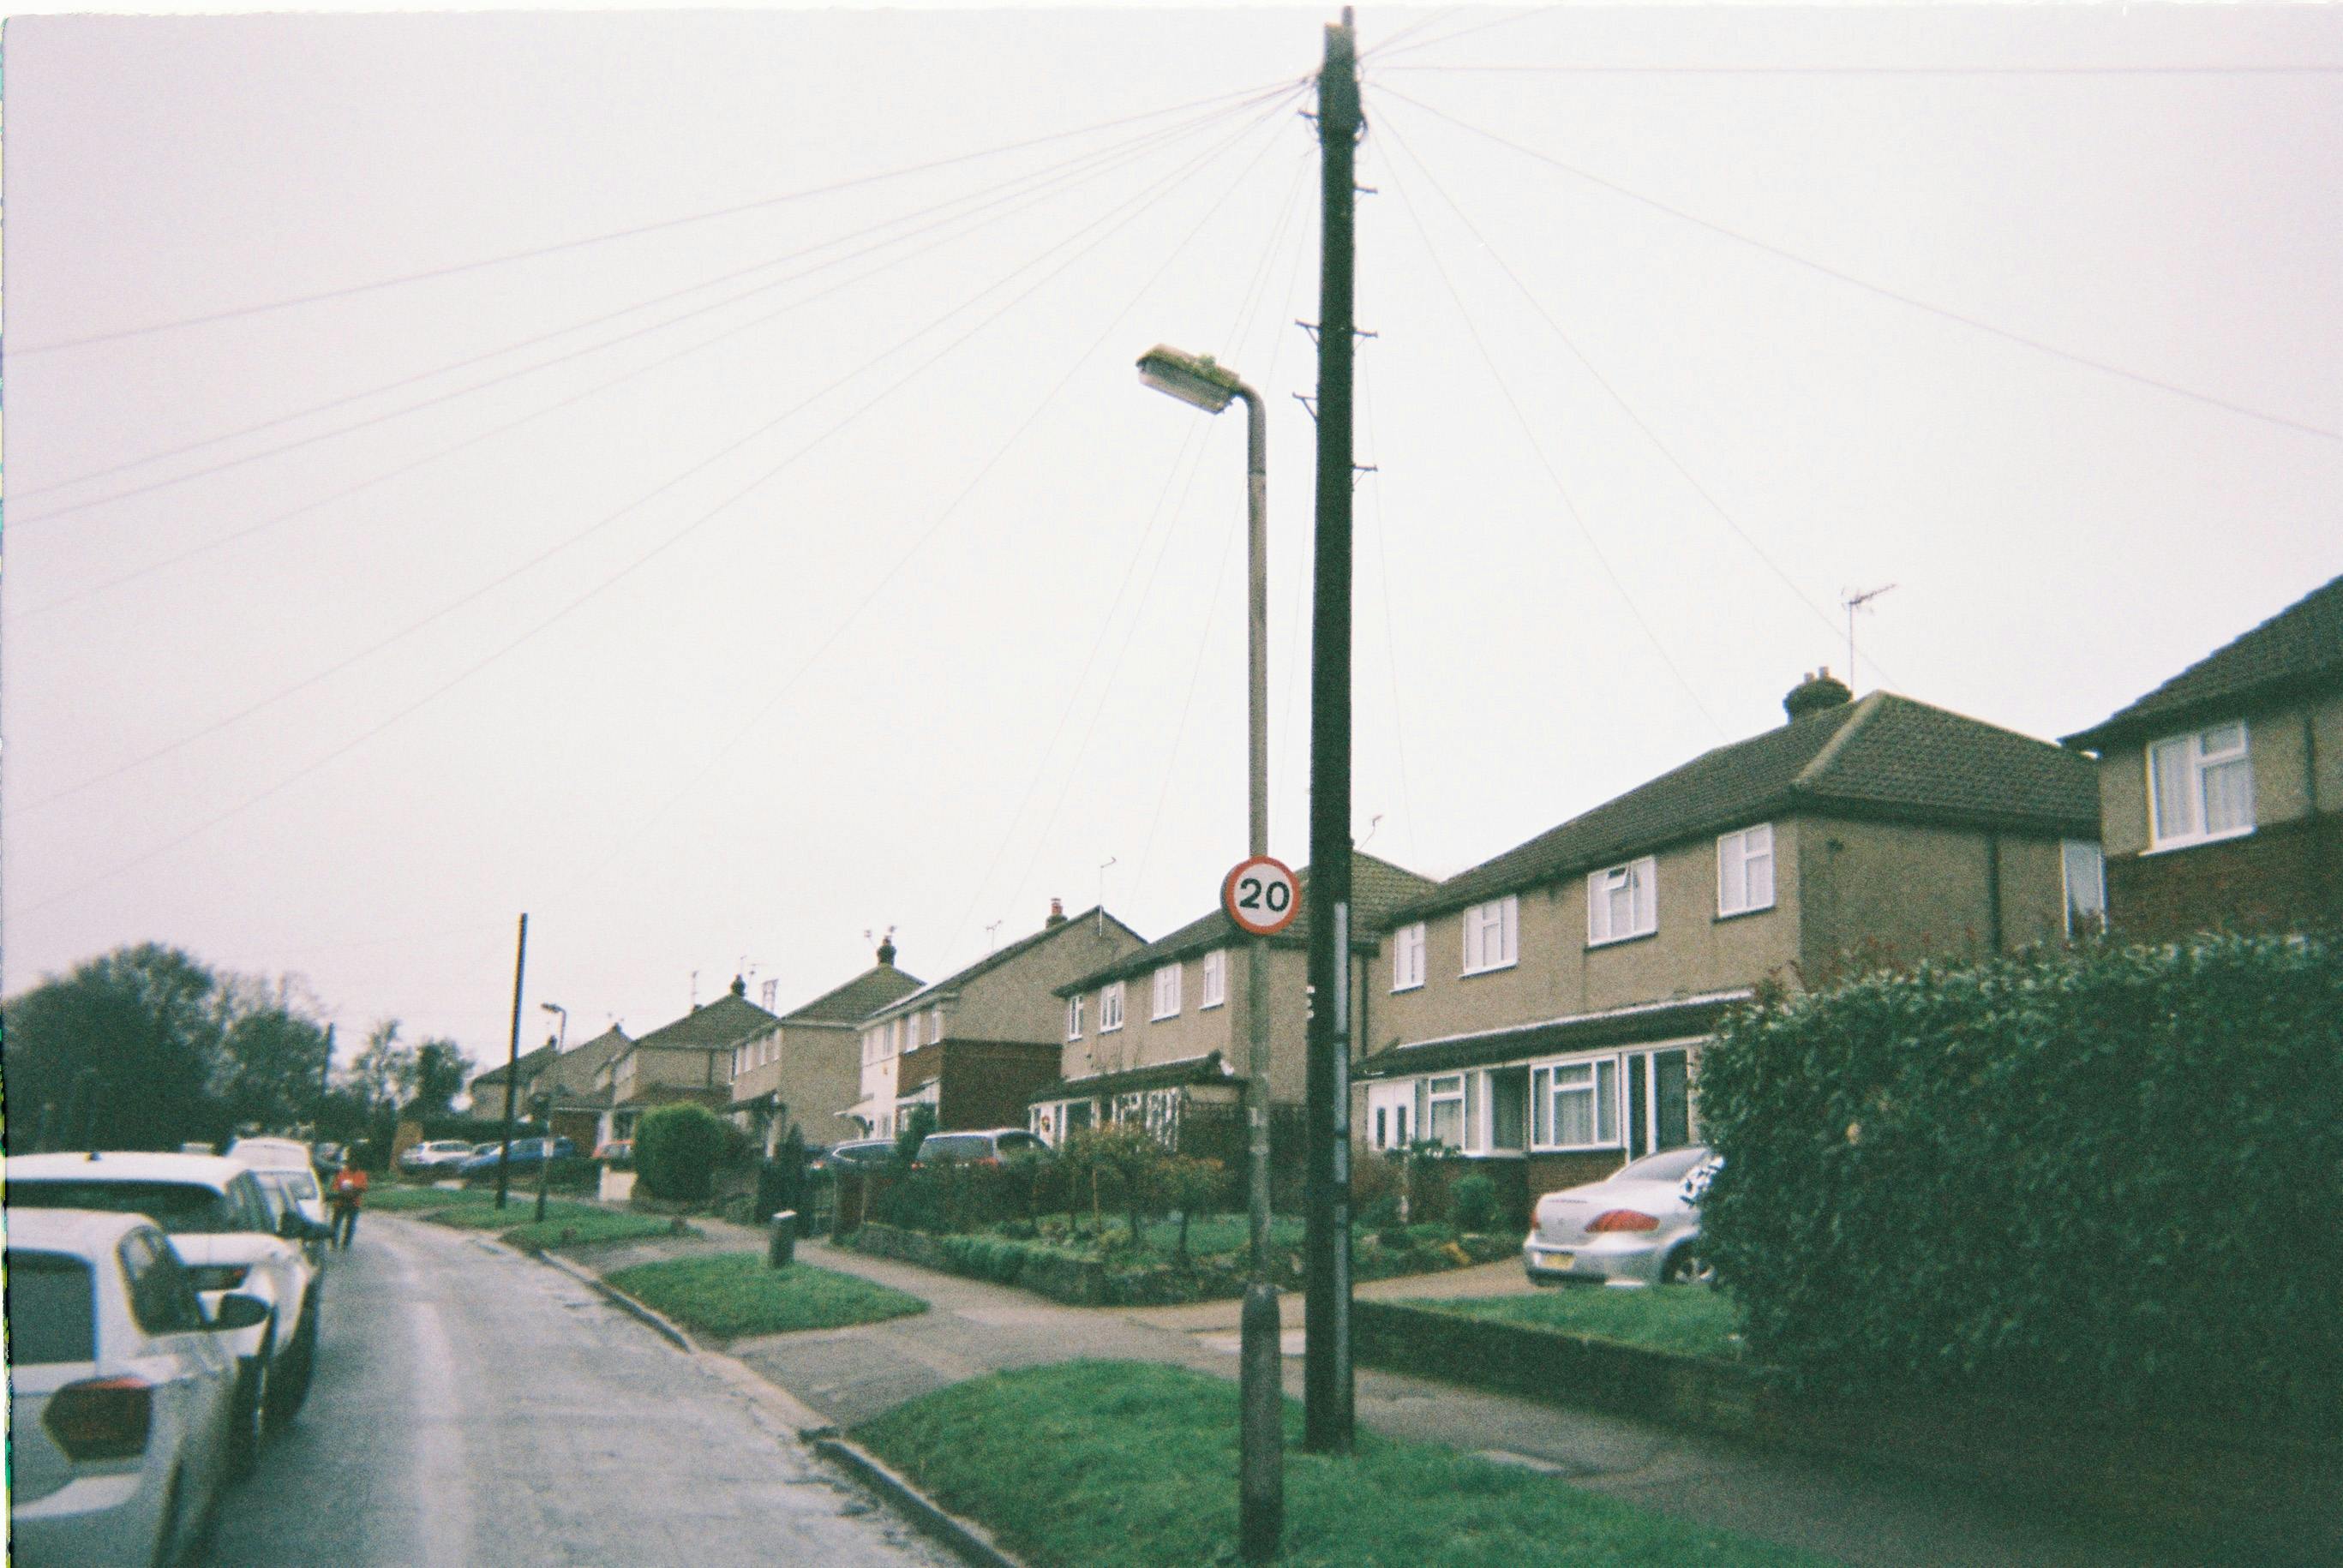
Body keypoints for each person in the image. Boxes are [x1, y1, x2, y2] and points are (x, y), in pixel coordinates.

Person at [328, 1157, 369, 1249]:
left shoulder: (362, 1174)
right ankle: (333, 1243)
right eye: (351, 1163)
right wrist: (343, 1192)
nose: (353, 1164)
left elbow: (364, 1188)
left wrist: (354, 1191)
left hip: (354, 1203)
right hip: (340, 1202)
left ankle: (346, 1244)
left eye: (356, 1163)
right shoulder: (342, 1174)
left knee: (350, 1225)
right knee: (336, 1224)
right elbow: (335, 1187)